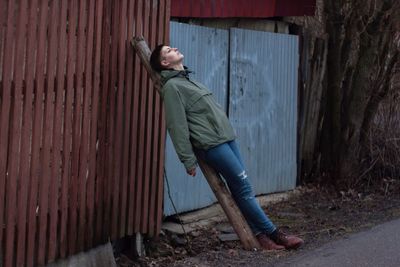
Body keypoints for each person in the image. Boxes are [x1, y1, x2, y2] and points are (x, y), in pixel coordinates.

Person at [150, 45, 304, 250]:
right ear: (164, 63)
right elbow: (176, 126)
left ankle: (261, 237)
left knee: (241, 190)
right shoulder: (172, 88)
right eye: (168, 50)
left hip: (226, 138)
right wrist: (187, 159)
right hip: (212, 144)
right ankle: (276, 234)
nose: (174, 48)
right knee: (245, 189)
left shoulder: (187, 79)